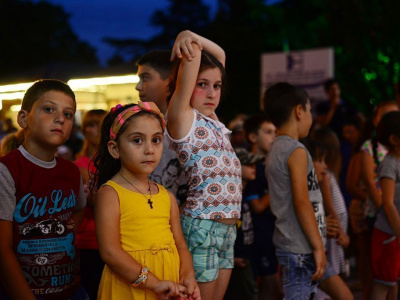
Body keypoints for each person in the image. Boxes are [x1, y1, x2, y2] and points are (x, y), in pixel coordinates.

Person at [92, 102, 199, 300]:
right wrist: (154, 283)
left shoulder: (167, 196)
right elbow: (110, 252)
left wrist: (188, 277)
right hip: (130, 288)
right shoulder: (111, 193)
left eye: (156, 140)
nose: (149, 149)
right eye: (138, 140)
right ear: (115, 149)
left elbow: (180, 245)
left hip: (169, 286)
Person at [166, 30, 242, 300]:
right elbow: (196, 54)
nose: (211, 93)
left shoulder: (214, 120)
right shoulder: (183, 118)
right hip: (202, 226)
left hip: (228, 229)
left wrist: (190, 34)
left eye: (217, 85)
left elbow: (219, 56)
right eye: (202, 84)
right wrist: (187, 40)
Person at [0, 79, 87, 299]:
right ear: (23, 119)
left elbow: (78, 208)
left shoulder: (72, 171)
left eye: (68, 114)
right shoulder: (7, 170)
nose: (60, 118)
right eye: (49, 109)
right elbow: (2, 249)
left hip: (71, 288)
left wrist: (64, 232)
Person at [263, 82, 327, 299]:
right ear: (300, 111)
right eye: (309, 110)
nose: (311, 117)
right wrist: (318, 247)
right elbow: (302, 201)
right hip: (300, 247)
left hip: (289, 243)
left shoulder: (276, 148)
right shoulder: (296, 151)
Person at [302, 138, 353, 300]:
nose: (325, 166)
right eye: (319, 160)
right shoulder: (301, 192)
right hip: (306, 257)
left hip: (320, 255)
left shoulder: (315, 187)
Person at [136, 50, 188, 207]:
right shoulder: (140, 124)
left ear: (170, 81)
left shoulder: (186, 126)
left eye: (145, 78)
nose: (138, 87)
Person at [242, 113, 281, 300]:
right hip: (257, 239)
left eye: (275, 132)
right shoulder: (251, 169)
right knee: (267, 287)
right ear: (252, 137)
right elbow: (257, 206)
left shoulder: (268, 166)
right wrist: (278, 185)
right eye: (268, 132)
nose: (273, 136)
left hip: (272, 236)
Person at [74, 109, 107, 300]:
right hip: (89, 241)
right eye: (90, 124)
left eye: (99, 125)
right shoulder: (81, 164)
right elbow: (97, 202)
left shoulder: (117, 162)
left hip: (115, 239)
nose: (93, 130)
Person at [224, 148, 265, 300]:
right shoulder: (228, 195)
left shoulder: (245, 192)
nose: (254, 168)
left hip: (247, 256)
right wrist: (231, 258)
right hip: (235, 260)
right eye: (248, 164)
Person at [370, 111, 400, 300]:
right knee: (383, 284)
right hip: (389, 234)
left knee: (393, 280)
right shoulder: (389, 164)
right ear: (394, 139)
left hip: (395, 234)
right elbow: (387, 203)